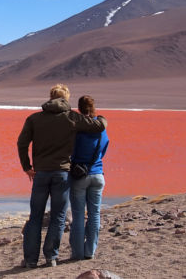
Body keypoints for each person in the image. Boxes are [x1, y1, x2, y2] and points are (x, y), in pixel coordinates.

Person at [17, 84, 108, 268]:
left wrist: (27, 167)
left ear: (50, 97)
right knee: (58, 216)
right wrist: (102, 118)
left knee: (35, 216)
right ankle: (51, 257)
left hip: (40, 173)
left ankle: (30, 260)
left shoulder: (34, 119)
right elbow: (99, 125)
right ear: (66, 99)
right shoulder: (72, 117)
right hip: (62, 174)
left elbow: (22, 143)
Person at [68, 95, 110, 261]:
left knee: (78, 215)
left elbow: (71, 151)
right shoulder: (102, 130)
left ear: (79, 108)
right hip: (98, 175)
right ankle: (89, 251)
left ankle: (77, 253)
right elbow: (103, 150)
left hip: (79, 176)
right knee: (94, 214)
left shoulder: (77, 130)